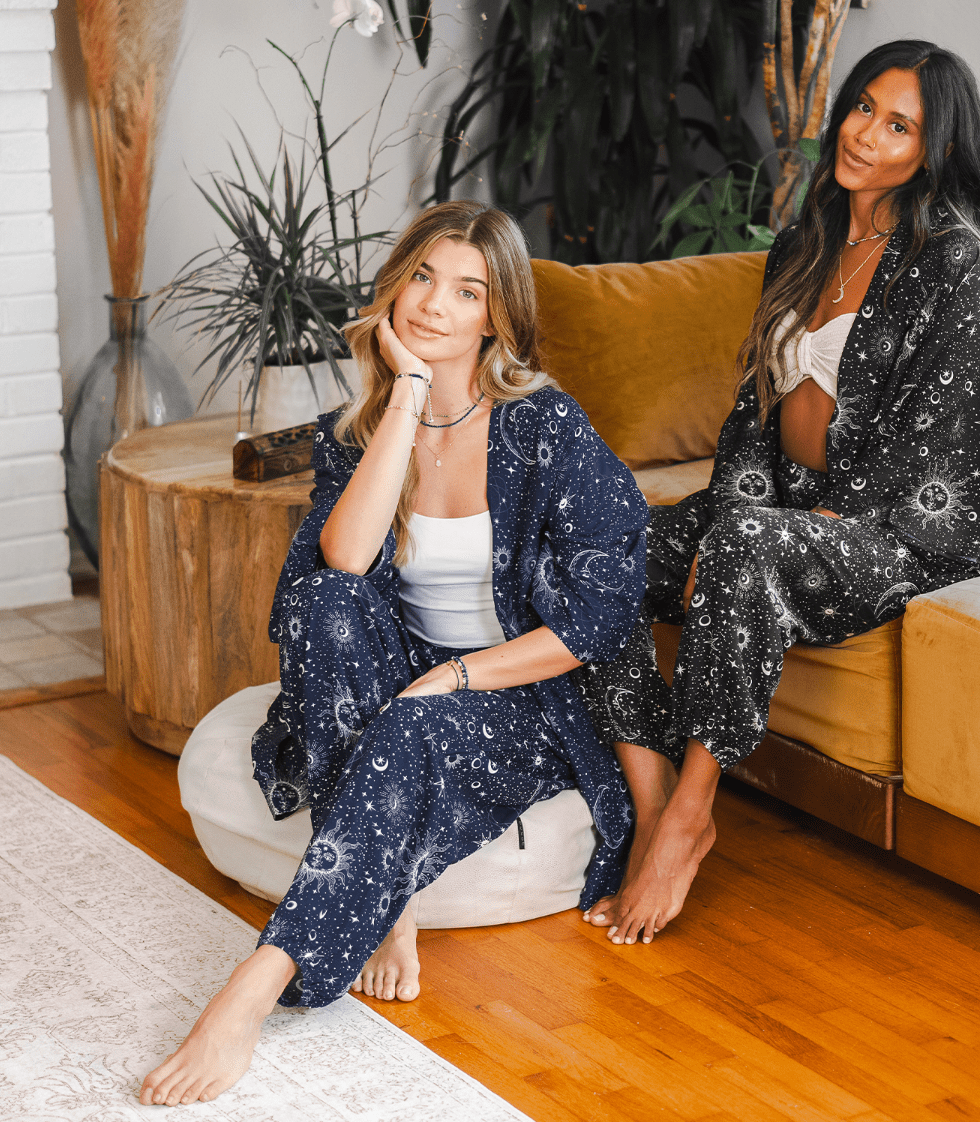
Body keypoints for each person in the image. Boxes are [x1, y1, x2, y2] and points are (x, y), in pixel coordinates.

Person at [140, 201, 647, 1107]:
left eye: (466, 291)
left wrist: (451, 677)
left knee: (410, 724)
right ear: (395, 283)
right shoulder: (364, 424)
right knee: (329, 602)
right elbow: (344, 560)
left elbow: (599, 623)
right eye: (422, 277)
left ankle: (253, 988)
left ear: (496, 316)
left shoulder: (546, 427)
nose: (434, 305)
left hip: (518, 691)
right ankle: (394, 900)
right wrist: (406, 395)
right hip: (399, 667)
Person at [575, 39, 980, 947]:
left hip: (900, 534)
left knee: (746, 546)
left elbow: (949, 444)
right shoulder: (806, 238)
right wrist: (743, 512)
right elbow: (754, 409)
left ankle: (691, 819)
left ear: (933, 152)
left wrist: (787, 526)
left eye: (899, 125)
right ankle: (650, 784)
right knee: (592, 549)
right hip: (784, 508)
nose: (865, 134)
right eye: (863, 107)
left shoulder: (950, 264)